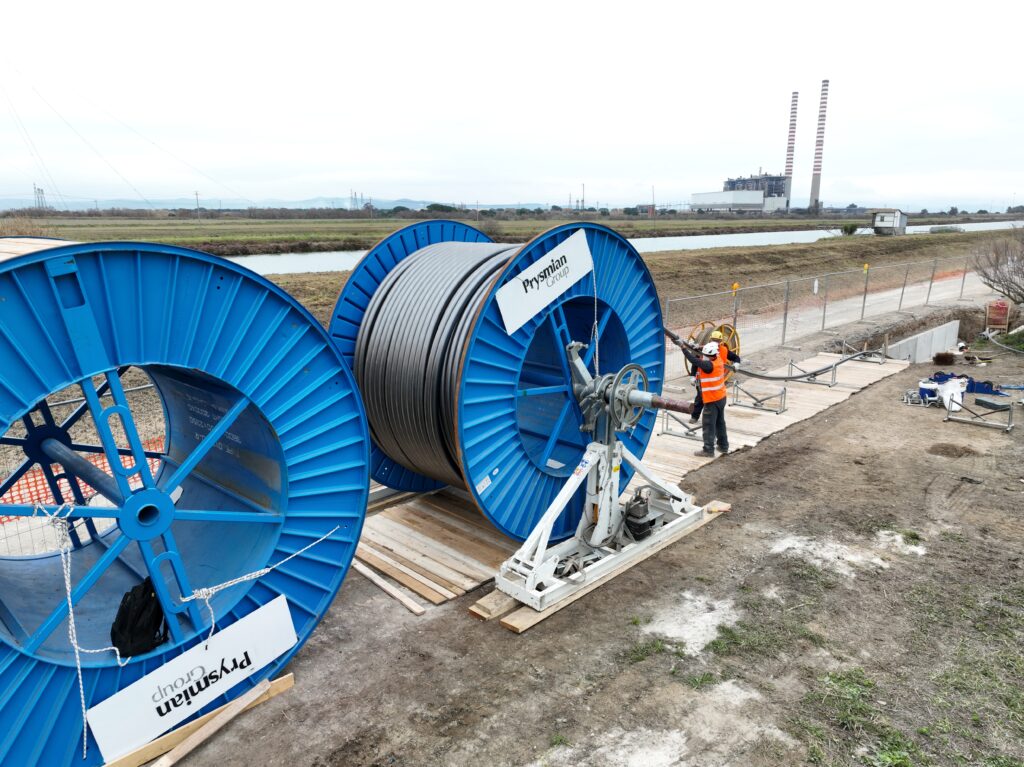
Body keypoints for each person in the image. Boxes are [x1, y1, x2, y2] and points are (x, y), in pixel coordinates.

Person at [679, 340, 730, 457]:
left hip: (712, 400)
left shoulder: (708, 366)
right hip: (721, 397)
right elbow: (700, 356)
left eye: (705, 355)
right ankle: (723, 446)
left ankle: (708, 450)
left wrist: (683, 348)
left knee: (708, 425)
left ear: (709, 356)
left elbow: (694, 360)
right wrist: (695, 348)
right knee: (720, 423)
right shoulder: (718, 360)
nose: (704, 356)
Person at [688, 330, 741, 426]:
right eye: (713, 340)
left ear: (721, 341)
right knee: (700, 399)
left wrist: (737, 363)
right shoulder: (704, 349)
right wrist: (692, 376)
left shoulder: (724, 350)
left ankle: (714, 420)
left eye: (717, 340)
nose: (715, 342)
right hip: (703, 381)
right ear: (710, 339)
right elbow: (695, 363)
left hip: (716, 382)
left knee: (715, 402)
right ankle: (695, 417)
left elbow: (736, 358)